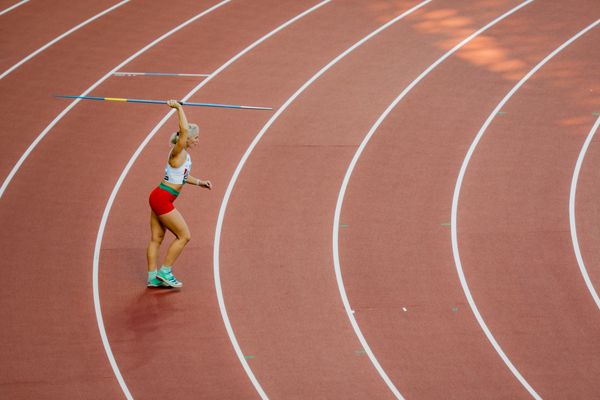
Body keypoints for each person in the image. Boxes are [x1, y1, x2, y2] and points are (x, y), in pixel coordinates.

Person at [146, 100, 212, 288]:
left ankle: (152, 278)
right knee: (184, 236)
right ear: (187, 139)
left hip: (158, 195)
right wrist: (179, 108)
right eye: (196, 137)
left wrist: (200, 182)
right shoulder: (178, 151)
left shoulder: (185, 156)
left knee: (156, 239)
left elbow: (181, 177)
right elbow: (183, 129)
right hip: (162, 198)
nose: (198, 140)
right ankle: (165, 271)